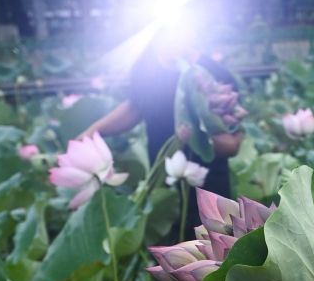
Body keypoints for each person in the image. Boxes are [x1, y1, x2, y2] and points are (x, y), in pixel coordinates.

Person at [84, 31, 243, 235]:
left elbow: (231, 145)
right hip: (162, 187)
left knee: (213, 249)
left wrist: (196, 135)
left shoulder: (213, 73)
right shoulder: (146, 68)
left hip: (210, 191)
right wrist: (90, 134)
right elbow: (136, 105)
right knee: (168, 242)